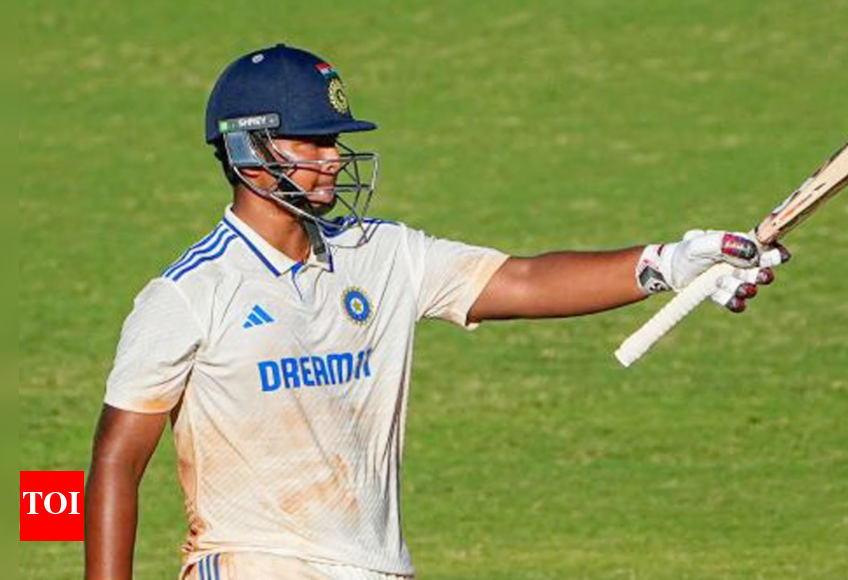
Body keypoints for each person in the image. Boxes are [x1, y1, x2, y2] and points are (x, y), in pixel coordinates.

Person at [84, 44, 789, 580]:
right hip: (254, 564)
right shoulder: (189, 295)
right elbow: (116, 461)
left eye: (335, 140)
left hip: (377, 565)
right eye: (314, 141)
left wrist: (669, 263)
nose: (335, 159)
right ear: (247, 150)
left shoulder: (381, 252)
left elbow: (523, 280)